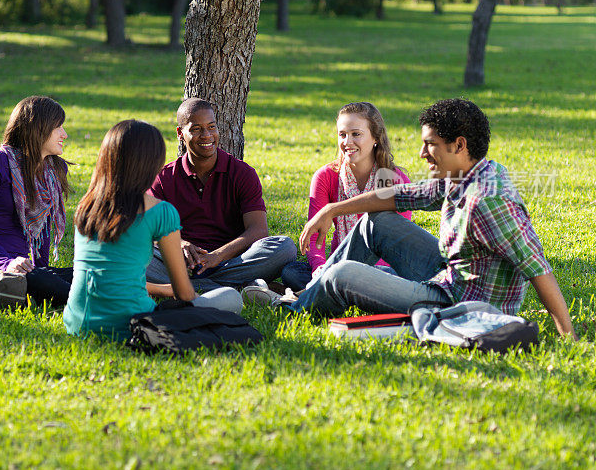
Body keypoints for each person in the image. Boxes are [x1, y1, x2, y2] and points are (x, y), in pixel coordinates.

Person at [247, 99, 577, 338]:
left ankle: (291, 309)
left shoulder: (487, 201)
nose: (421, 153)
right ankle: (307, 294)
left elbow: (537, 267)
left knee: (342, 274)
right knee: (375, 221)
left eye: (430, 145)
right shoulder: (466, 173)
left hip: (461, 305)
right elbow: (402, 195)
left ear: (459, 145)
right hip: (450, 277)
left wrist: (568, 337)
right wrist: (332, 209)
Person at [63, 120, 242, 340]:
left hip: (76, 322)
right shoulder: (160, 212)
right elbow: (184, 294)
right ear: (152, 163)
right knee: (231, 297)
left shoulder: (86, 205)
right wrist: (192, 299)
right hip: (131, 326)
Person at [145, 98, 297, 294]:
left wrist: (217, 256)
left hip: (231, 261)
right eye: (196, 129)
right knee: (130, 252)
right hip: (179, 264)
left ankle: (195, 287)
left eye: (211, 127)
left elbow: (259, 230)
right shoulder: (164, 178)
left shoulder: (242, 173)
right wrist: (179, 244)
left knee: (285, 247)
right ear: (180, 134)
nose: (206, 135)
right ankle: (238, 286)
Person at [279, 102, 411, 291]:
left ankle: (331, 291)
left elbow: (396, 243)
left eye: (356, 134)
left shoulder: (394, 180)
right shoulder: (325, 176)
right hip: (338, 266)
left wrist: (360, 274)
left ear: (375, 137)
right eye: (342, 134)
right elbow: (315, 238)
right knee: (292, 272)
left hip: (382, 270)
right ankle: (339, 289)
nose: (347, 142)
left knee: (397, 278)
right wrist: (319, 268)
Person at [0, 95, 73, 307]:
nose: (64, 134)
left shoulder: (54, 170)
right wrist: (7, 263)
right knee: (45, 280)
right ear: (38, 128)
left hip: (25, 272)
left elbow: (44, 230)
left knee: (88, 274)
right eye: (58, 127)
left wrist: (43, 273)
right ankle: (96, 304)